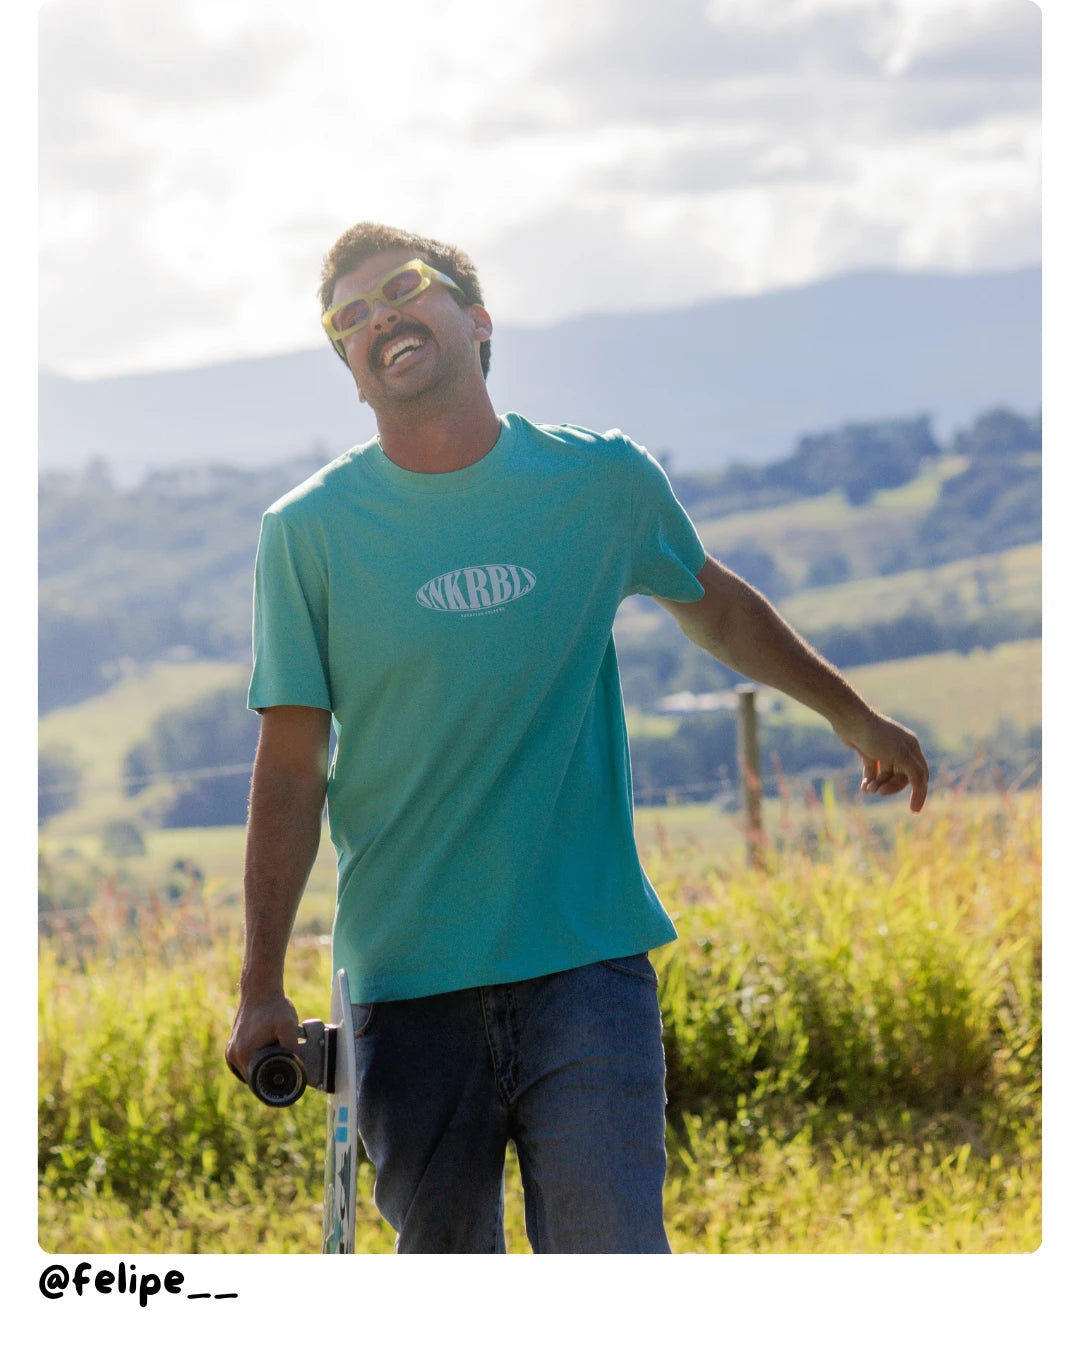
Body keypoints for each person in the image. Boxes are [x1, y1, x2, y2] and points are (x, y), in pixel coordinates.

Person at [225, 222, 929, 1254]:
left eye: (403, 290)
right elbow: (290, 767)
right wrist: (259, 985)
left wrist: (850, 713)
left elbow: (716, 604)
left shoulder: (601, 482)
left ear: (477, 318)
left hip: (587, 969)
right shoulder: (308, 533)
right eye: (349, 319)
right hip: (404, 988)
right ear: (355, 377)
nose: (379, 319)